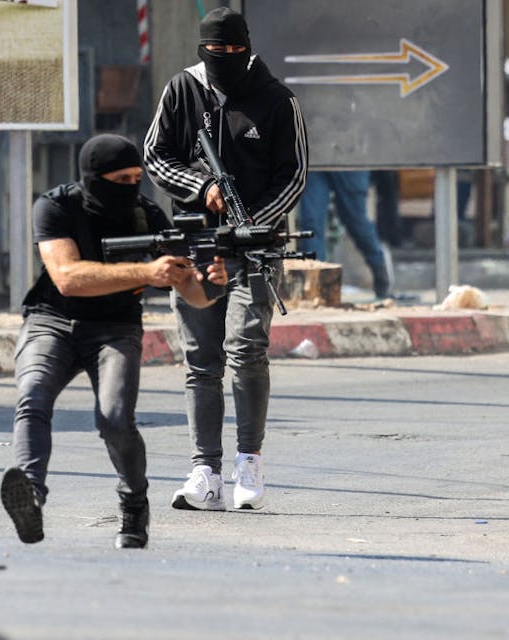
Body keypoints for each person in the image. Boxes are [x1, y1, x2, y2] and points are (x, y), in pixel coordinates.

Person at [0, 134, 228, 549]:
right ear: (93, 177)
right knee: (33, 396)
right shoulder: (56, 206)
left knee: (115, 419)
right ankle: (29, 495)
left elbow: (191, 292)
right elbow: (67, 278)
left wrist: (211, 285)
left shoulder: (147, 216)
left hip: (116, 328)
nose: (131, 187)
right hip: (52, 321)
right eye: (121, 179)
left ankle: (133, 503)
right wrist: (145, 273)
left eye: (137, 178)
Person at [143, 7, 307, 512]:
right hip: (195, 246)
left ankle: (249, 462)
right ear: (203, 50)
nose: (227, 58)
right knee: (200, 360)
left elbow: (294, 174)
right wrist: (203, 188)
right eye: (218, 51)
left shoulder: (278, 100)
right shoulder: (182, 90)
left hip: (254, 250)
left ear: (248, 48)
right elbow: (155, 156)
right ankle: (205, 471)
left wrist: (252, 223)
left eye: (236, 50)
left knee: (247, 350)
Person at [298, 170, 392, 299]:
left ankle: (381, 274)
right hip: (313, 163)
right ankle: (315, 288)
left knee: (356, 221)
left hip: (349, 162)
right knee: (311, 222)